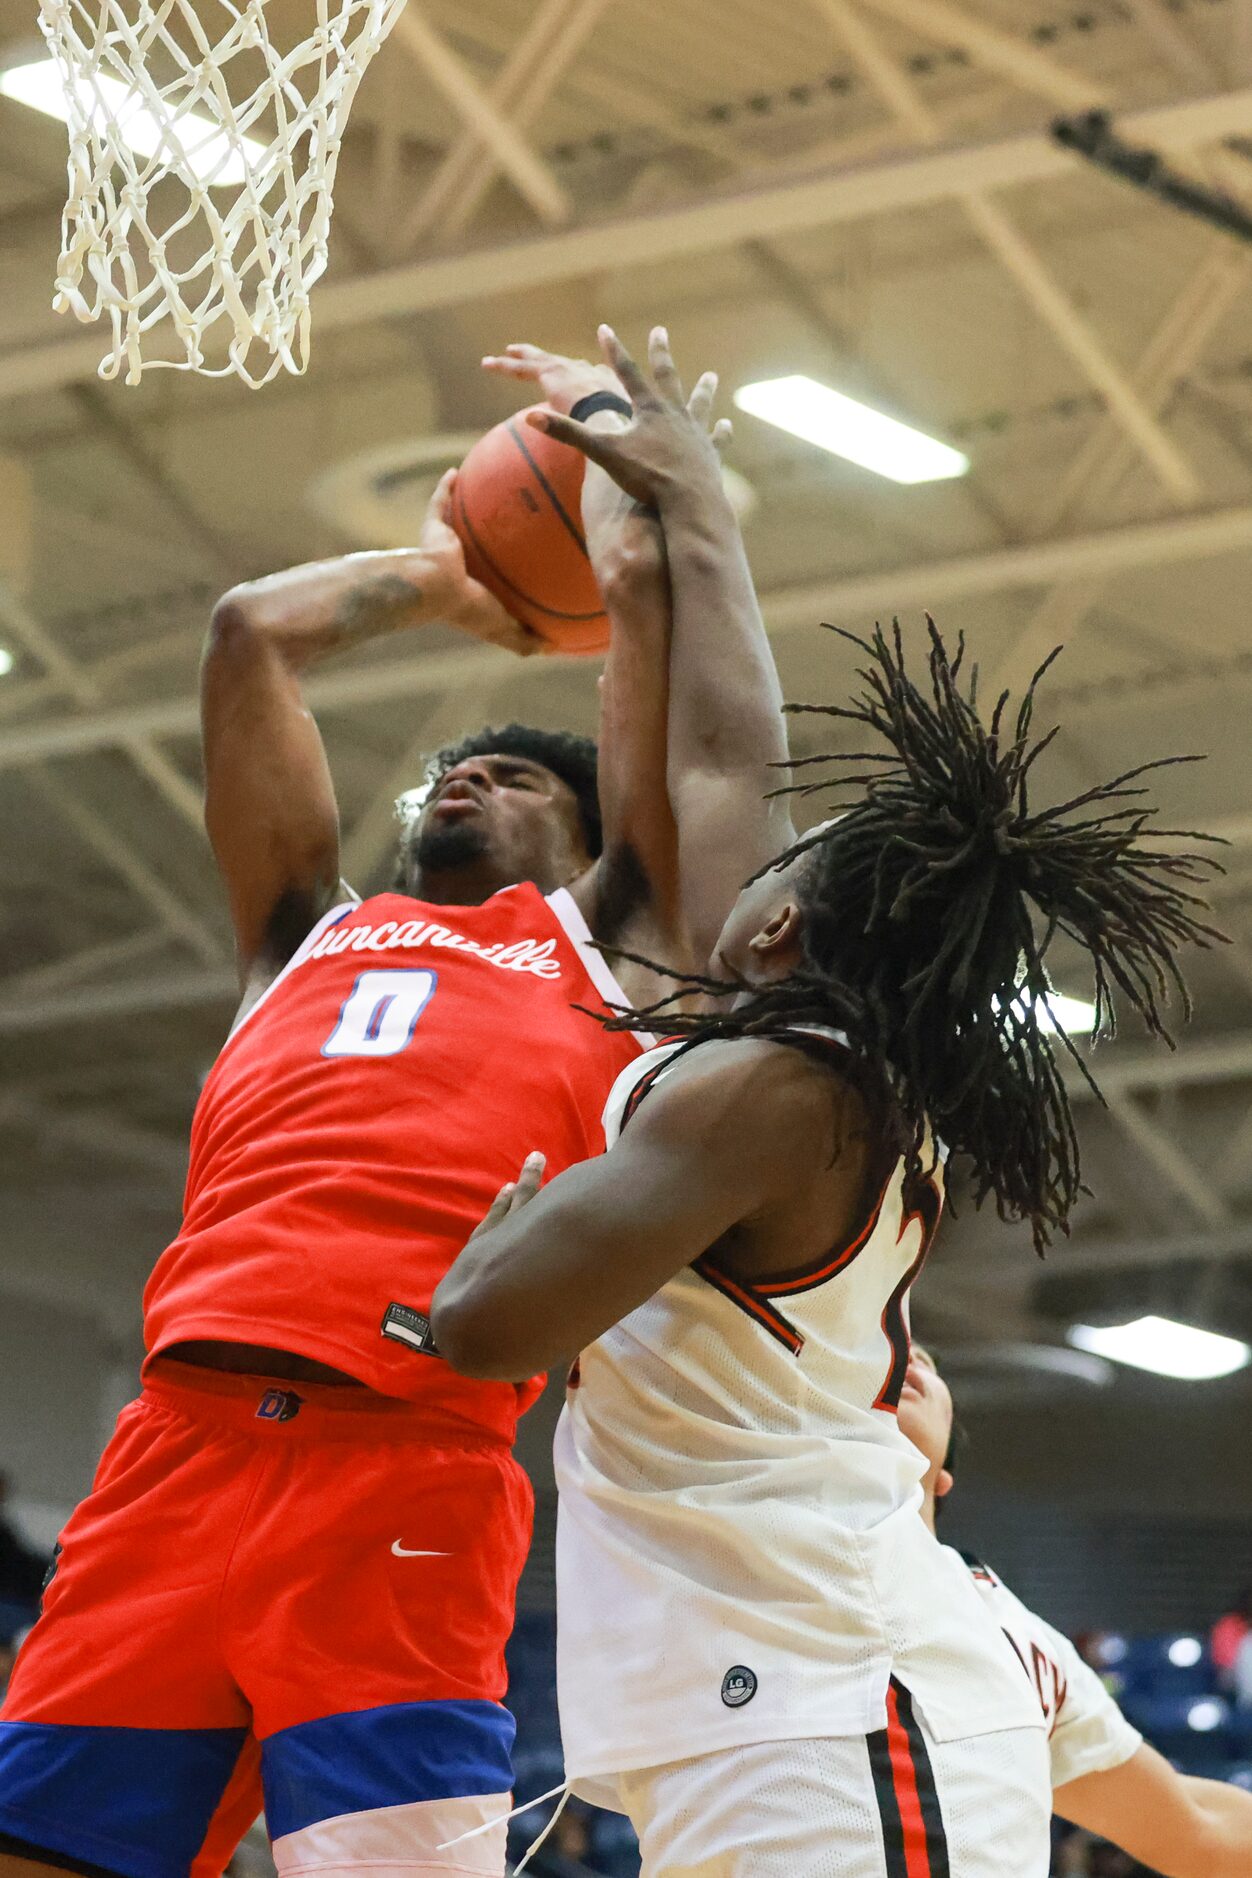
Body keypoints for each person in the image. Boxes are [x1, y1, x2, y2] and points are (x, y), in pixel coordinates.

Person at [432, 328, 1222, 1877]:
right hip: (775, 1702)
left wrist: (505, 1229)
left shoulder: (773, 1089)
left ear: (783, 925)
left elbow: (481, 1324)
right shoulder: (797, 1063)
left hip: (831, 1705)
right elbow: (726, 751)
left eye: (782, 866)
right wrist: (698, 502)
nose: (750, 850)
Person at [0, 343, 736, 1878]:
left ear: (587, 838)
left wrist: (619, 485)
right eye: (451, 770)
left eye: (511, 780)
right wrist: (446, 578)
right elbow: (247, 636)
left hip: (404, 1455)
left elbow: (658, 663)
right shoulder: (301, 936)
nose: (463, 779)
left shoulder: (610, 941)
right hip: (171, 1453)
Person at [899, 1344, 1252, 1878]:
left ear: (943, 1473)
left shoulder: (1016, 1637)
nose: (901, 1355)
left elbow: (1198, 1824)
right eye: (869, 1345)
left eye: (920, 1355)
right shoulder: (739, 1574)